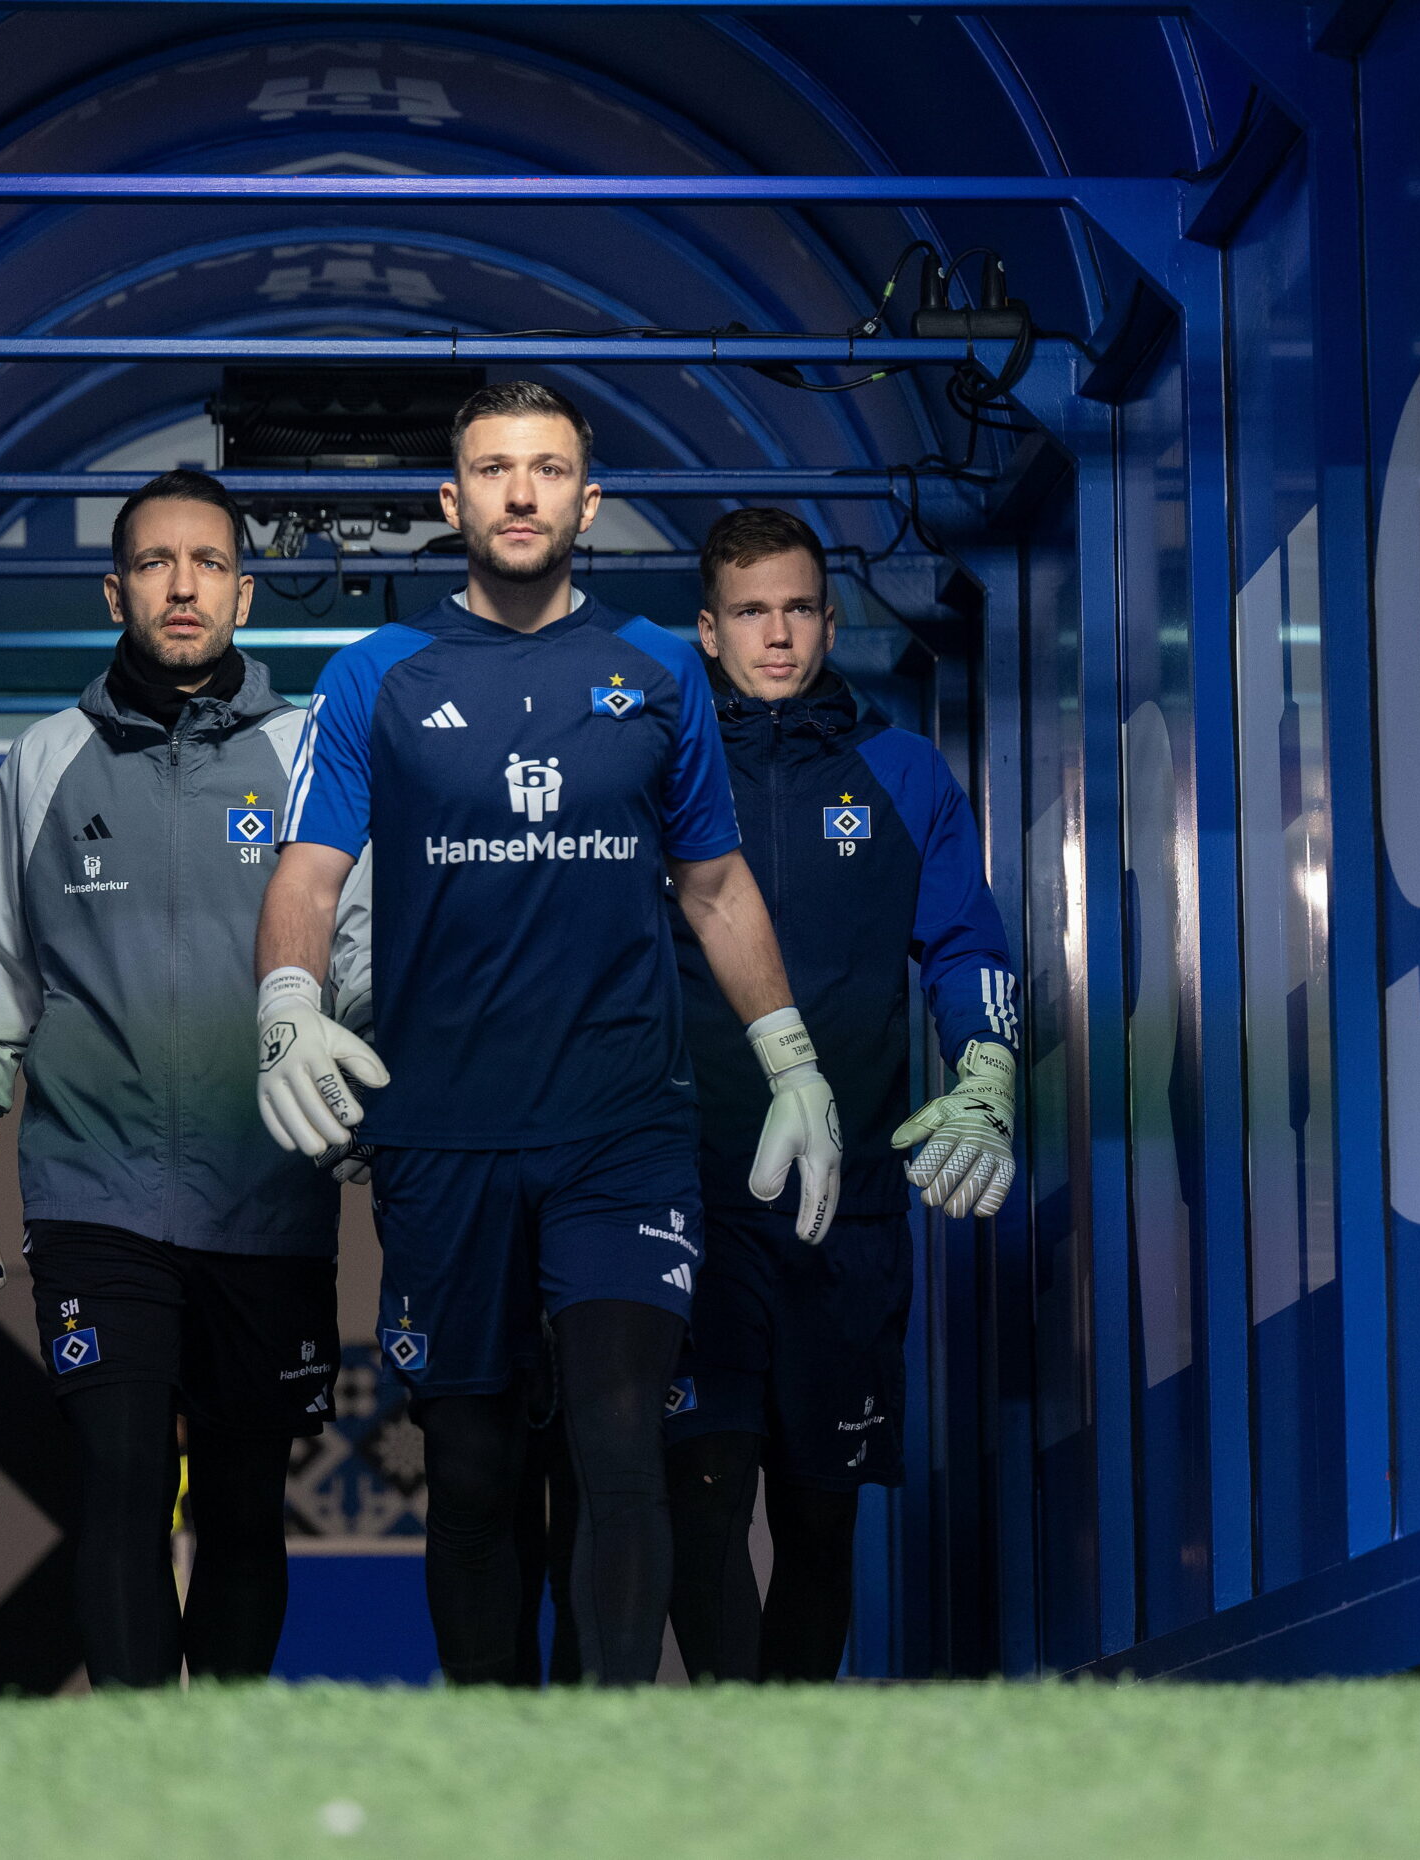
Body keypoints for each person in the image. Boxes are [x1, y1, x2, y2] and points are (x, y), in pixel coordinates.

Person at [254, 379, 841, 1688]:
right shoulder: (374, 680)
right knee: (472, 1466)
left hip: (622, 1129)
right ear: (450, 501)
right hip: (443, 1137)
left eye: (550, 467)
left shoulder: (661, 673)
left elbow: (716, 884)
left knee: (621, 1436)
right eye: (496, 468)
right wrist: (287, 1003)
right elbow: (305, 873)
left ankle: (607, 1776)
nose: (523, 491)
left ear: (591, 498)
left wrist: (790, 1057)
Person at [0, 468, 347, 1688]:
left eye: (208, 563)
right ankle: (143, 1777)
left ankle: (213, 1772)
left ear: (245, 593)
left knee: (245, 1499)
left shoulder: (309, 754)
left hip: (266, 1193)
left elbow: (359, 958)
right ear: (116, 588)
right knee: (116, 1482)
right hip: (94, 1197)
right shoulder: (44, 764)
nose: (182, 585)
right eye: (157, 563)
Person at [663, 507, 1018, 1683]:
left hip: (848, 1207)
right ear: (708, 632)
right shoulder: (655, 773)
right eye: (751, 613)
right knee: (699, 1505)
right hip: (687, 1201)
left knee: (821, 1518)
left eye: (800, 609)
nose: (779, 635)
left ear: (829, 615)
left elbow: (966, 947)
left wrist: (985, 1063)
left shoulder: (903, 770)